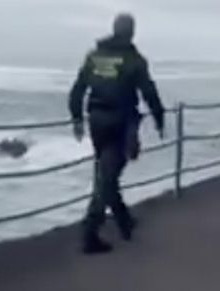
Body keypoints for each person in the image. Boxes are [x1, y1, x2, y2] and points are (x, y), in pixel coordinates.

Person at [68, 13, 166, 254]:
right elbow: (149, 92)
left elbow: (77, 90)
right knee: (108, 176)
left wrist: (77, 118)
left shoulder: (94, 56)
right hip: (121, 122)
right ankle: (90, 232)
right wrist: (159, 118)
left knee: (107, 171)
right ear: (132, 32)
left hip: (97, 121)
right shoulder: (134, 60)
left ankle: (123, 219)